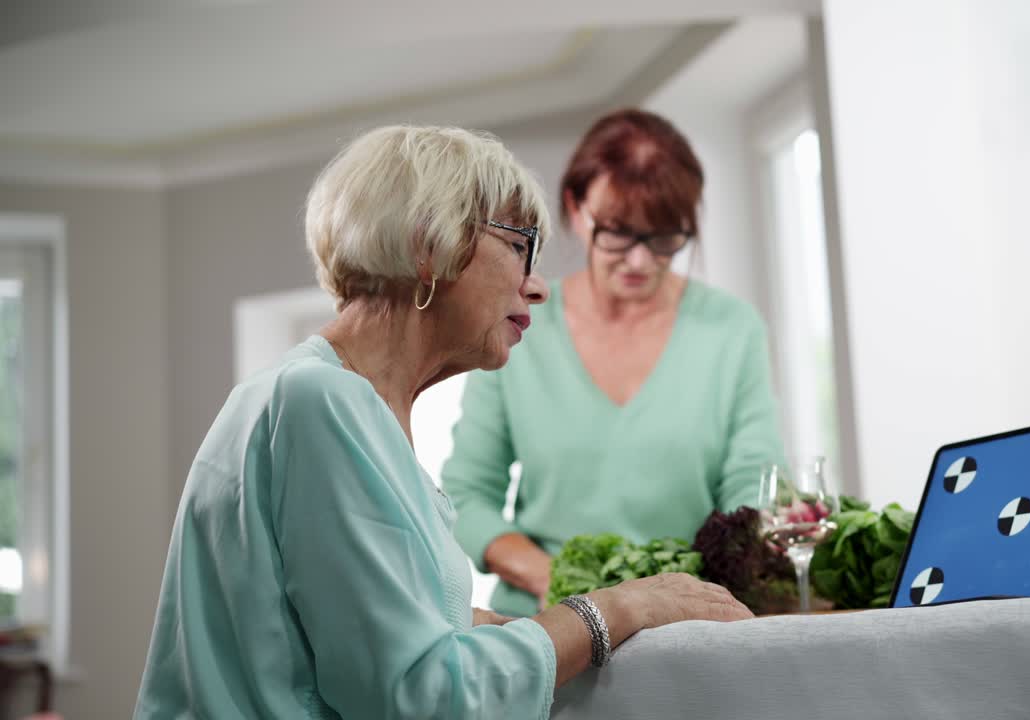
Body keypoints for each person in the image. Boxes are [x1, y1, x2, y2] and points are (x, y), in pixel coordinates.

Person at [134, 125, 751, 719]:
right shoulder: (320, 403)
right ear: (430, 244)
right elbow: (419, 696)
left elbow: (396, 641)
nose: (537, 287)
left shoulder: (323, 398)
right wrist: (616, 609)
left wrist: (563, 626)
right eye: (519, 247)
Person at [443, 109, 786, 618]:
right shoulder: (519, 323)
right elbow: (467, 495)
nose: (640, 261)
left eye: (666, 237)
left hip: (685, 620)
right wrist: (558, 581)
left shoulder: (731, 329)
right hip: (548, 626)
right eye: (619, 233)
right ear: (576, 210)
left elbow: (752, 489)